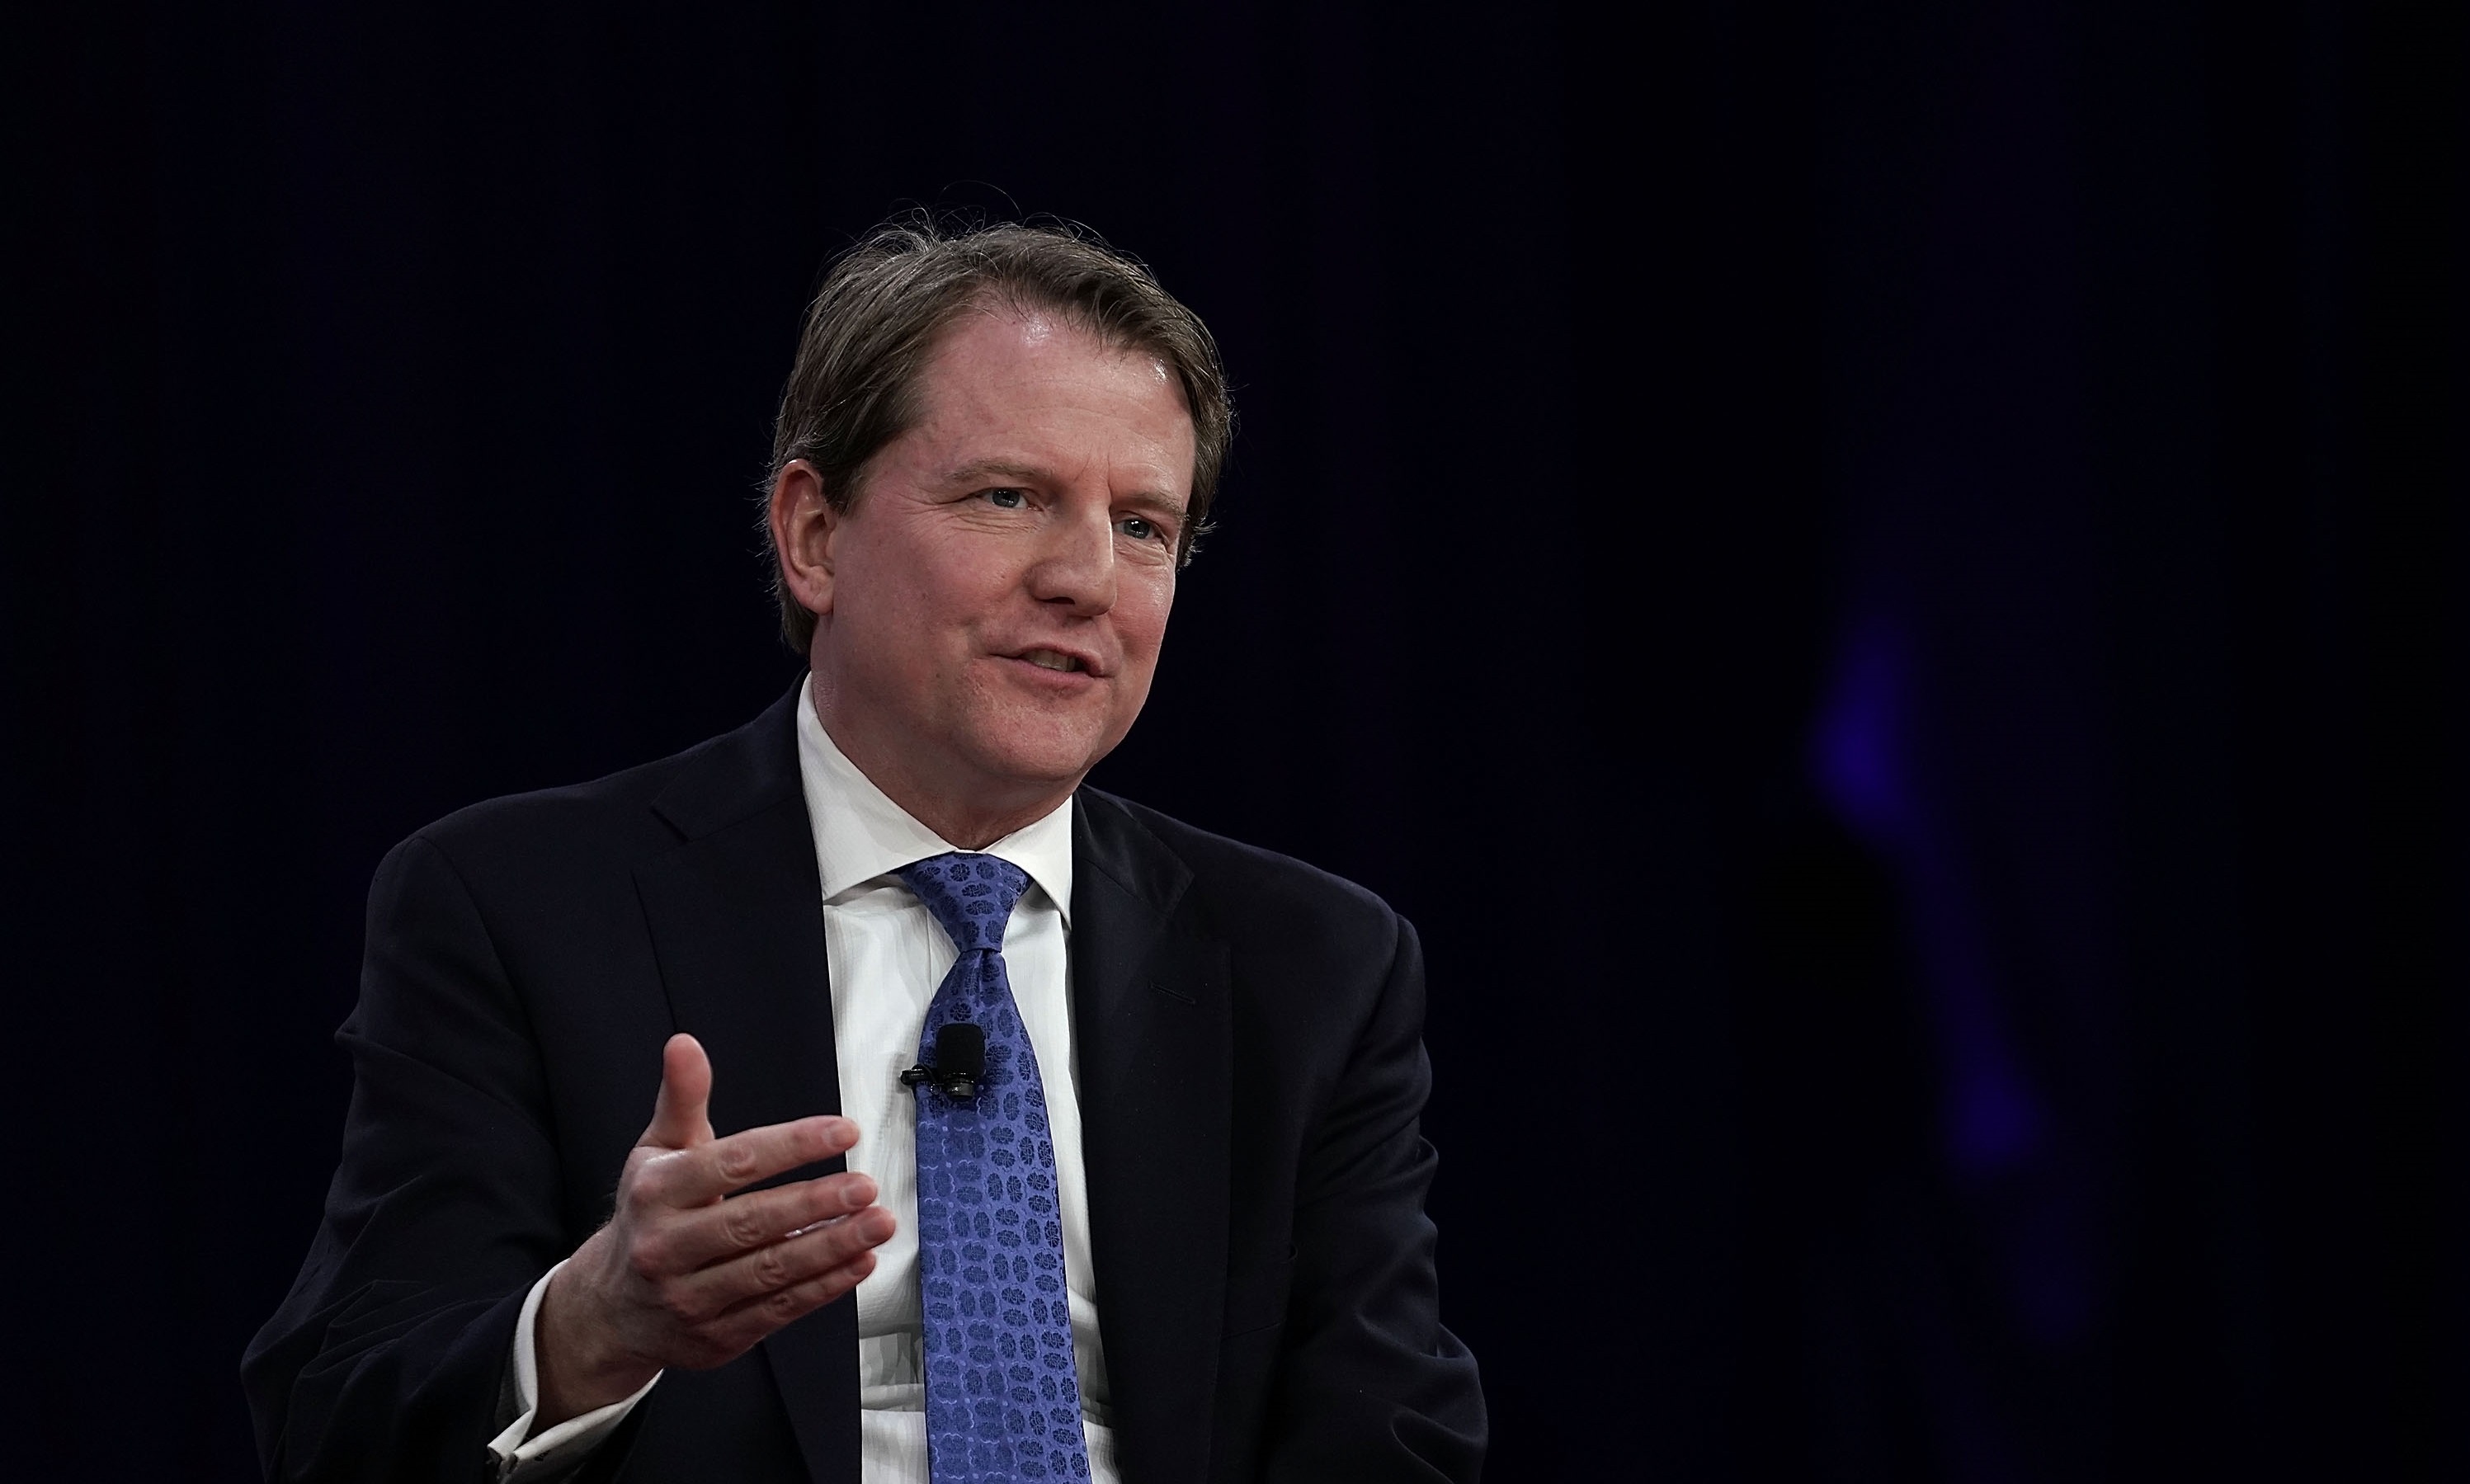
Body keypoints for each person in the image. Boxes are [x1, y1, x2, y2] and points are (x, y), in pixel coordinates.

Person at [243, 218, 1485, 1483]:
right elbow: (339, 1417)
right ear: (813, 535)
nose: (1087, 578)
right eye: (1009, 497)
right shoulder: (522, 907)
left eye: (1143, 526)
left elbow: (1390, 1431)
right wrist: (588, 1330)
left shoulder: (1309, 966)